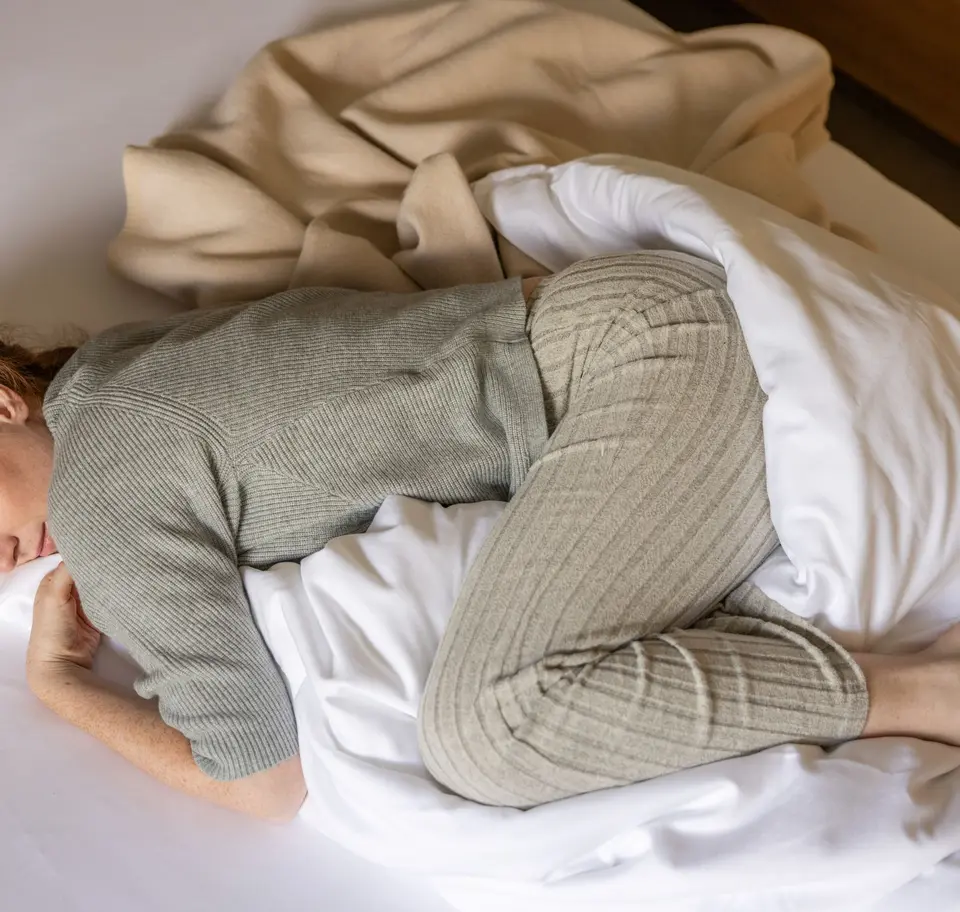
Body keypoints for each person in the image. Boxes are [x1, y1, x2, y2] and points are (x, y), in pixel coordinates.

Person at [10, 252, 960, 821]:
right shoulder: (108, 372)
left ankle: (927, 693)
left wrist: (59, 689)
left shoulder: (103, 491)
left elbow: (263, 783)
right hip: (647, 324)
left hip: (647, 367)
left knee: (492, 731)